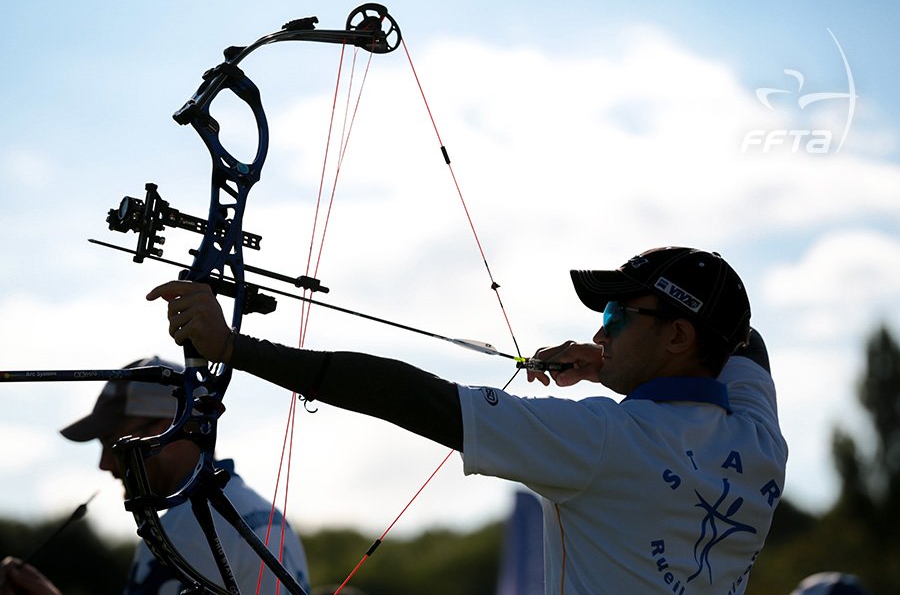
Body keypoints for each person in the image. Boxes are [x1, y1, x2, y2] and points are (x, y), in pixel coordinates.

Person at [146, 246, 788, 594]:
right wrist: (612, 360)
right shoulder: (759, 440)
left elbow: (407, 395)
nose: (601, 328)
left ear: (678, 336)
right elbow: (743, 342)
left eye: (618, 317)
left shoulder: (604, 442)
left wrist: (236, 349)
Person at [1, 357, 310, 595]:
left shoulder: (183, 531)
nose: (105, 464)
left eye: (113, 443)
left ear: (168, 428)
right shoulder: (264, 513)